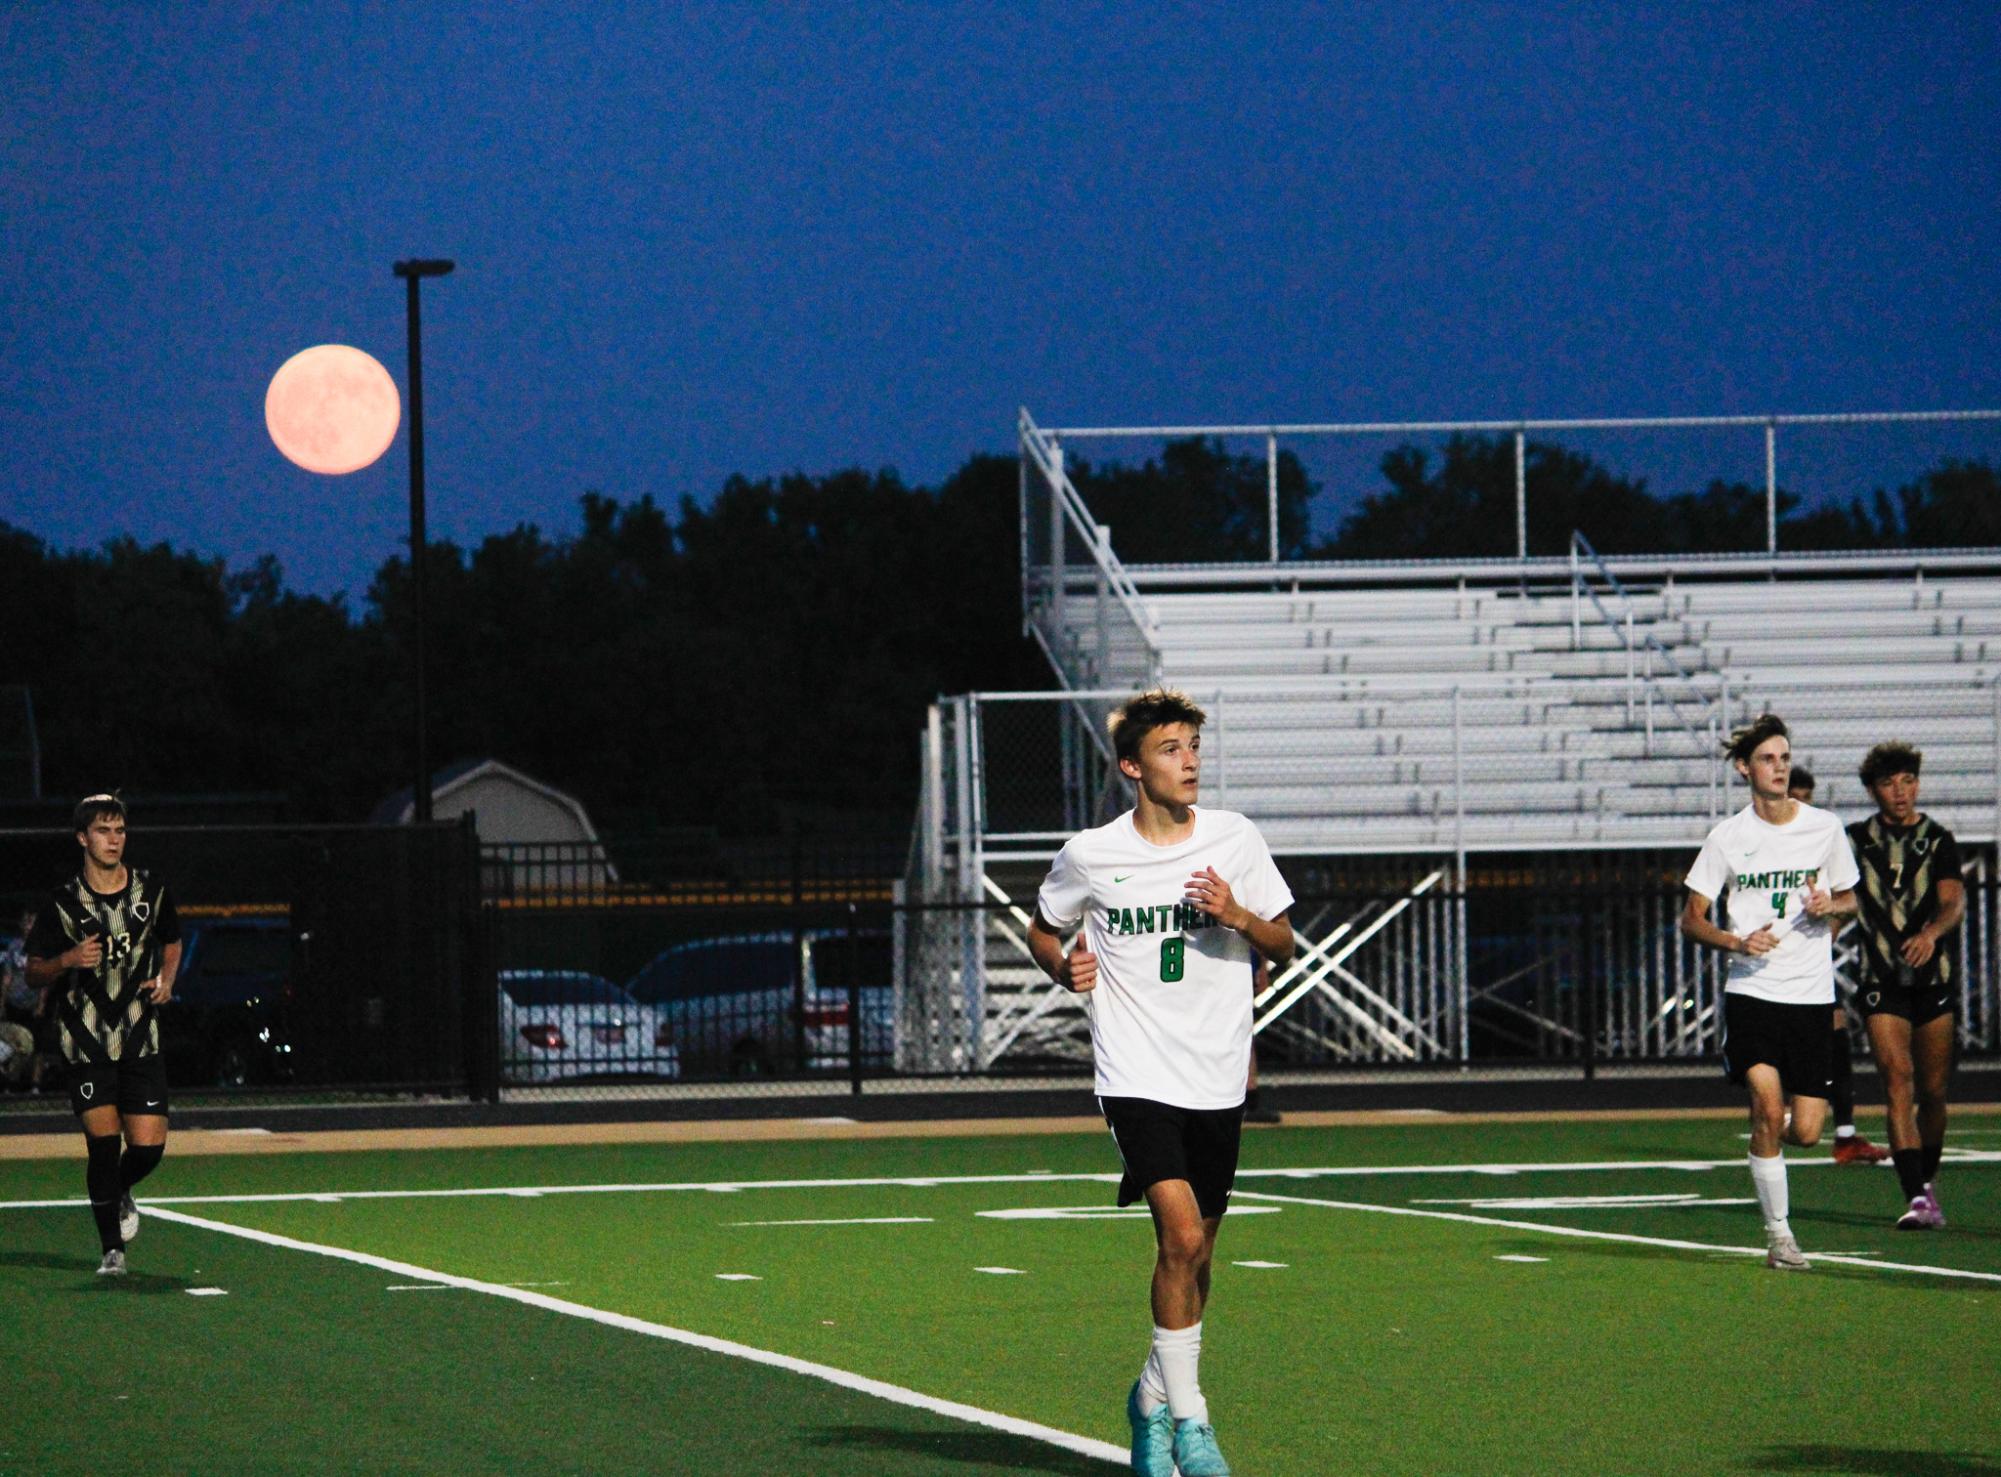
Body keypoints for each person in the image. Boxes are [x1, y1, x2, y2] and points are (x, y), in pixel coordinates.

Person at [1027, 688, 1293, 1477]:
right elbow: (1045, 928)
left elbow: (1283, 936)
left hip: (1215, 1074)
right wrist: (1061, 965)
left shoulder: (1234, 838)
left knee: (1199, 1256)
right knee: (1176, 1236)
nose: (1190, 761)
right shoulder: (1091, 853)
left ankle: (1147, 1395)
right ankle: (1191, 1421)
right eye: (1172, 749)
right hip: (1134, 1072)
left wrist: (1238, 914)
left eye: (1193, 747)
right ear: (1132, 767)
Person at [1679, 715, 1859, 1271]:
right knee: (1766, 1103)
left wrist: (1831, 906)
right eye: (1767, 759)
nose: (1779, 767)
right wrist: (1736, 940)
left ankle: (1769, 1138)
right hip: (1753, 992)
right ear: (1744, 767)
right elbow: (1691, 920)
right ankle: (1780, 1237)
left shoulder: (1824, 827)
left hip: (1811, 995)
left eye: (1784, 757)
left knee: (1805, 1131)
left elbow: (1852, 898)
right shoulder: (1728, 838)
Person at [24, 795, 182, 1276]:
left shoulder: (150, 890)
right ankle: (111, 1250)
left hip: (139, 1034)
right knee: (103, 1142)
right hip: (85, 1037)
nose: (114, 840)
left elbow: (172, 940)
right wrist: (66, 961)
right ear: (82, 838)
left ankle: (120, 1190)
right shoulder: (62, 902)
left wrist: (168, 981)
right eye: (103, 831)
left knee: (149, 1147)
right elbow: (32, 972)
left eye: (119, 831)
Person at [1846, 741, 1965, 1230]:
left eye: (1908, 781)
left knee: (1933, 1091)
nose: (1901, 792)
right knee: (1897, 1078)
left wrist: (1931, 934)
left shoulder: (1937, 840)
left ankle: (1927, 1181)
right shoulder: (1854, 841)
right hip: (1880, 978)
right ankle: (1915, 1197)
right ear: (1873, 790)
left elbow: (1953, 902)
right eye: (1890, 783)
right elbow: (1841, 898)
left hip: (1931, 977)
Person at [1786, 768, 1889, 1167]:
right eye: (1798, 795)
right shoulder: (1770, 843)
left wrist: (1830, 923)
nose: (1804, 804)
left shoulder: (1822, 840)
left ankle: (1845, 1135)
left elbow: (1845, 899)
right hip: (1774, 966)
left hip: (1811, 965)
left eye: (1808, 796)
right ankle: (1772, 1117)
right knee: (1777, 1050)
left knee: (1836, 1033)